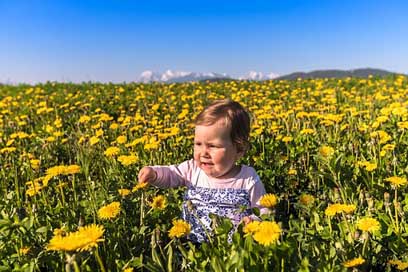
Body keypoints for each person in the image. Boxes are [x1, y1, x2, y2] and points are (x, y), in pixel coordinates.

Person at [138, 99, 267, 243]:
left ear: (239, 149)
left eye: (213, 146)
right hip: (191, 247)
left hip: (233, 249)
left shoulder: (248, 179)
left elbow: (263, 209)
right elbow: (171, 174)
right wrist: (154, 174)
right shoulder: (192, 170)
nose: (203, 152)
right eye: (198, 144)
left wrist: (253, 221)